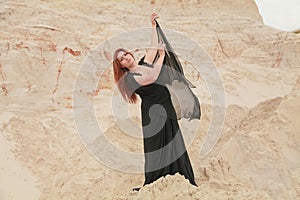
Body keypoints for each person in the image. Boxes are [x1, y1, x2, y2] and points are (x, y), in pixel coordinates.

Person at [112, 13, 197, 191]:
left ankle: (177, 173)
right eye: (122, 59)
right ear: (121, 66)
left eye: (125, 54)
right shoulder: (130, 78)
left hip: (165, 106)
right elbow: (153, 75)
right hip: (154, 113)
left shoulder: (143, 64)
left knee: (173, 138)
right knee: (158, 143)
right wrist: (162, 56)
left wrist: (152, 26)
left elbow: (152, 48)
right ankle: (157, 178)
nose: (126, 57)